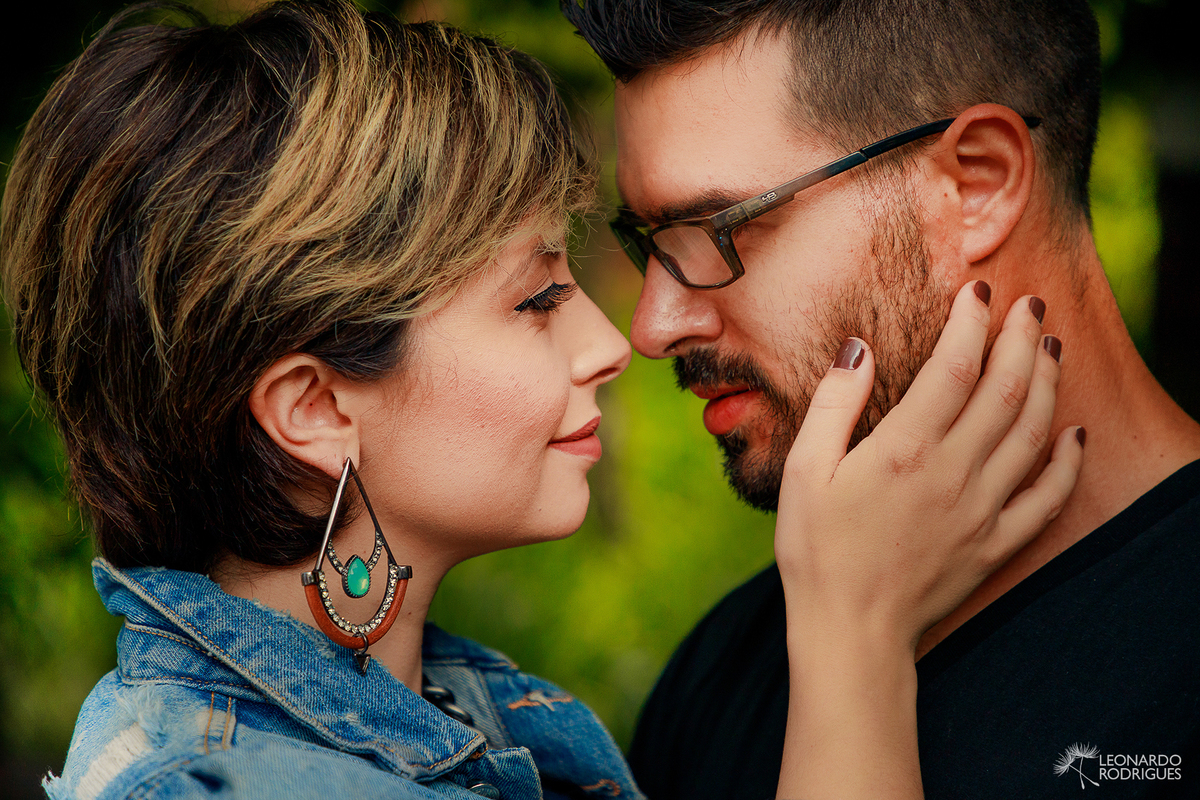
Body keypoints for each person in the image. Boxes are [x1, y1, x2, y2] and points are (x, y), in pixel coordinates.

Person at [1, 1, 1080, 799]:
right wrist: (854, 642)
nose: (621, 342)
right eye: (536, 298)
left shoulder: (485, 722)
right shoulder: (232, 784)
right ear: (317, 408)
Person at [559, 0, 1200, 797]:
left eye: (719, 228)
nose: (653, 326)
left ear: (979, 183)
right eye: (651, 243)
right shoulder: (718, 680)